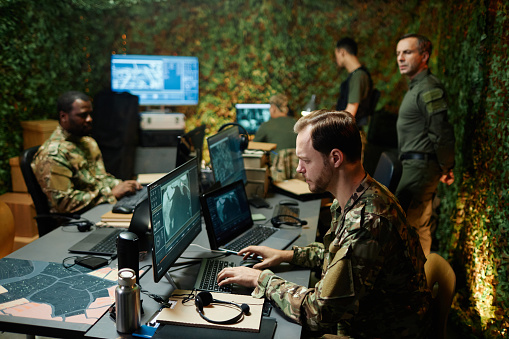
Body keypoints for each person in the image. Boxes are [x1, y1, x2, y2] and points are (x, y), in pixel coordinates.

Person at [218, 110, 431, 338]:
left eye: (306, 160)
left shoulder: (367, 222)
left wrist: (262, 280)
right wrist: (286, 255)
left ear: (336, 158)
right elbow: (340, 255)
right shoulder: (361, 195)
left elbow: (317, 313)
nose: (300, 168)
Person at [32, 91, 142, 214]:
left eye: (90, 114)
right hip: (76, 221)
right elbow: (64, 203)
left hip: (98, 208)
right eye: (82, 115)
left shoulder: (88, 142)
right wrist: (110, 194)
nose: (89, 119)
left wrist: (123, 185)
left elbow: (99, 179)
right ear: (63, 116)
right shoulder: (53, 154)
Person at [395, 34, 455, 256]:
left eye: (407, 52)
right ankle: (423, 284)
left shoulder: (428, 88)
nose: (400, 58)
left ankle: (415, 286)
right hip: (416, 168)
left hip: (420, 169)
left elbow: (441, 130)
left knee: (404, 228)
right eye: (398, 53)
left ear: (424, 56)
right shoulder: (416, 87)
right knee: (418, 229)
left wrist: (446, 166)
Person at [253, 94, 300, 181]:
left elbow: (252, 147)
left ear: (274, 108)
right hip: (299, 175)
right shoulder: (297, 124)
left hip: (277, 176)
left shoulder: (266, 126)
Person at [334, 37, 374, 126]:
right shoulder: (356, 75)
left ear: (342, 52)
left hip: (351, 133)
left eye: (336, 54)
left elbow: (350, 111)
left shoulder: (358, 76)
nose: (336, 58)